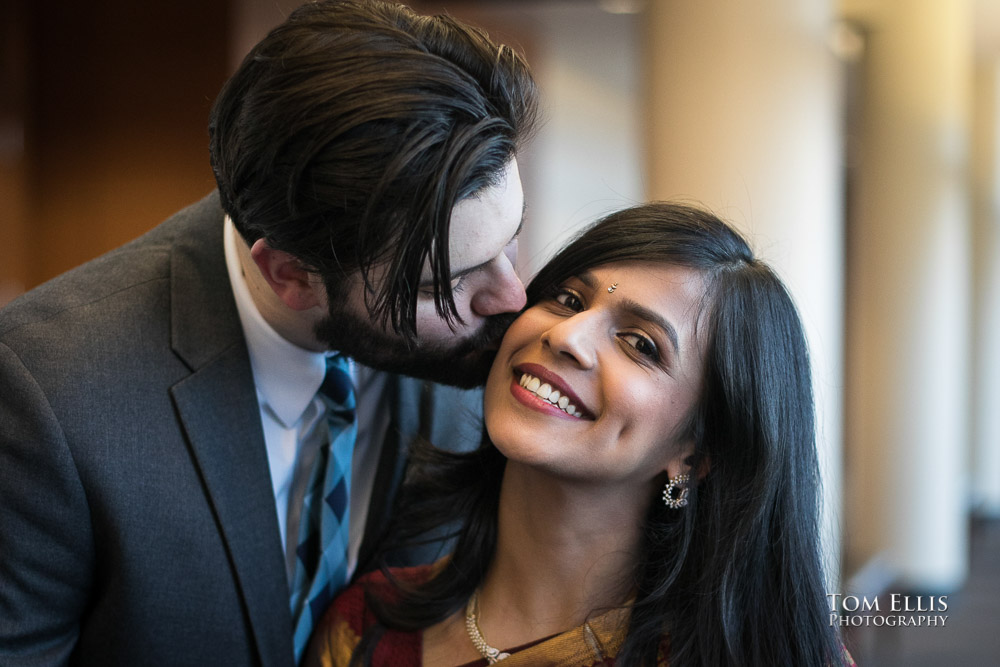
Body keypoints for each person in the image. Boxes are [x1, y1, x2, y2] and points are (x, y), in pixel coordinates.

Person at [0, 2, 537, 665]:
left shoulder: (479, 355)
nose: (512, 297)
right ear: (289, 274)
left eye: (510, 242)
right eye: (441, 285)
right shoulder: (49, 392)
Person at [308, 202, 854, 666]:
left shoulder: (768, 655)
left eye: (641, 344)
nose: (566, 336)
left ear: (696, 455)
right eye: (568, 299)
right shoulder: (365, 628)